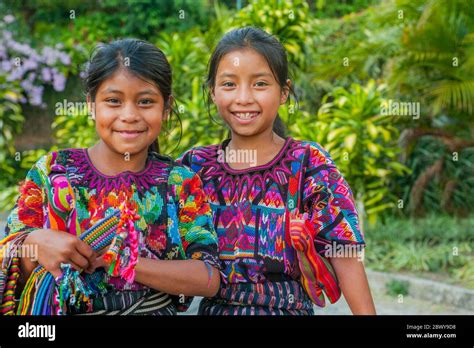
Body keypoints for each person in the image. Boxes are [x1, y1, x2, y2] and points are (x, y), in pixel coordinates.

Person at [0, 39, 220, 315]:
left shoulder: (179, 182)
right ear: (91, 105)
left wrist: (121, 261)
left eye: (146, 102)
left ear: (166, 108)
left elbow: (209, 278)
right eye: (113, 101)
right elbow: (9, 261)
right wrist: (36, 243)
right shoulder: (53, 173)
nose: (129, 115)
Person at [178, 27, 376, 315]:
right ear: (212, 92)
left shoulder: (308, 164)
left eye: (260, 84)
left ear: (283, 92)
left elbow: (344, 251)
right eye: (229, 84)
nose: (243, 98)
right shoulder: (194, 168)